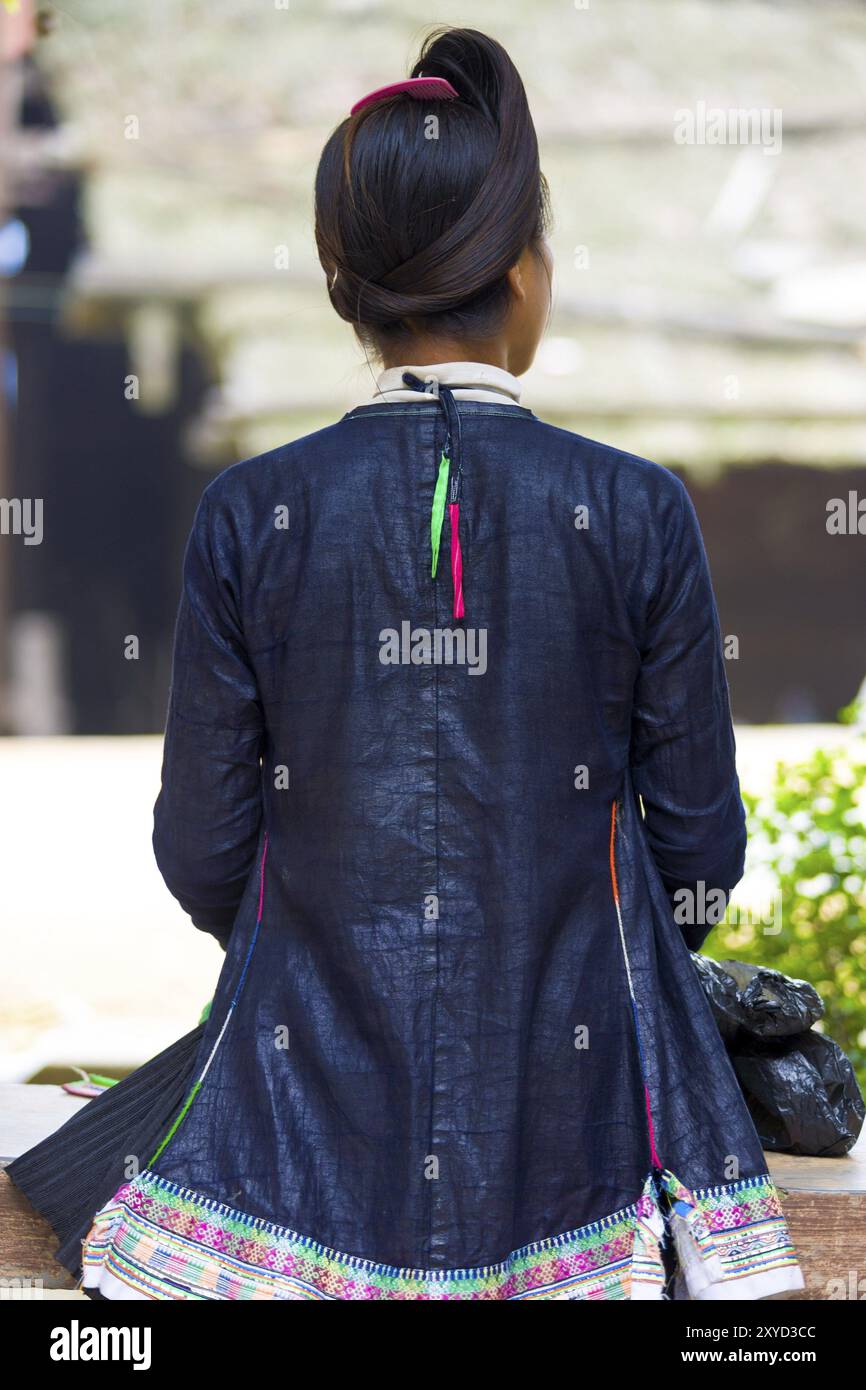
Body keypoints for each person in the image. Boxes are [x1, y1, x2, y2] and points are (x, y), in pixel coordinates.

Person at [8, 26, 804, 1301]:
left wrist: (319, 947)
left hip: (289, 1124)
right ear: (526, 272)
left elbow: (201, 846)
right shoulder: (637, 508)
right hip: (577, 1139)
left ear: (342, 286)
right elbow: (699, 846)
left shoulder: (250, 510)